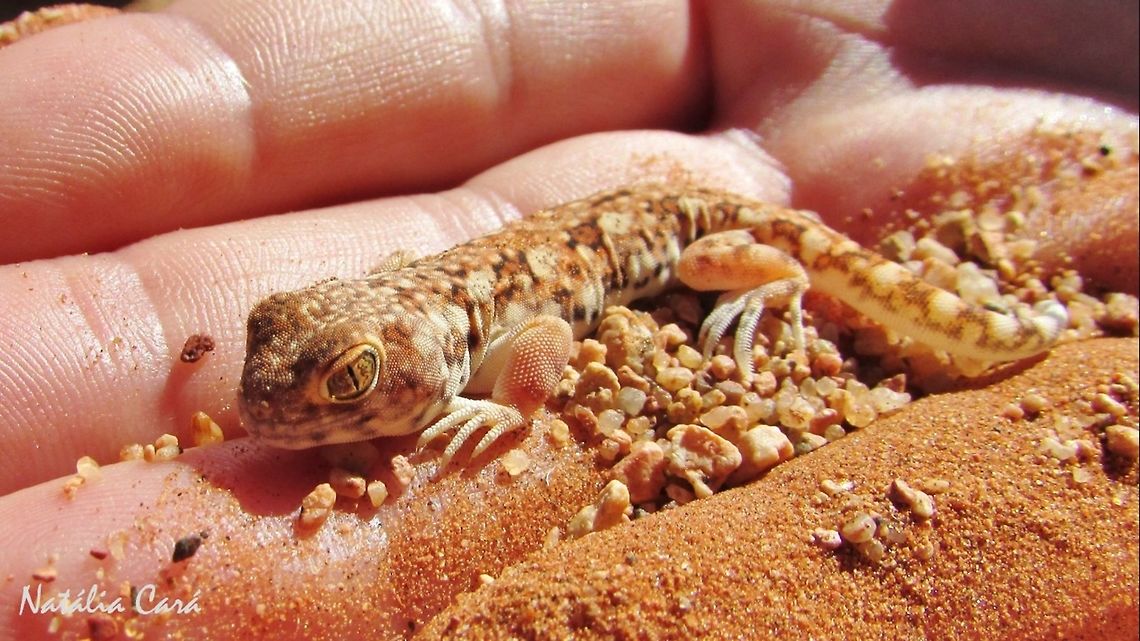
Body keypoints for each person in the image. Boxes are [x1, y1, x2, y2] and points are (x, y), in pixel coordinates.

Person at [0, 2, 1135, 638]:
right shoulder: (417, 317)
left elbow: (541, 345)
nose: (278, 404)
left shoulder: (483, 337)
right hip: (572, 228)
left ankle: (787, 279)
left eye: (348, 381)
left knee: (728, 267)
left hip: (694, 224)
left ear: (415, 363)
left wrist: (514, 404)